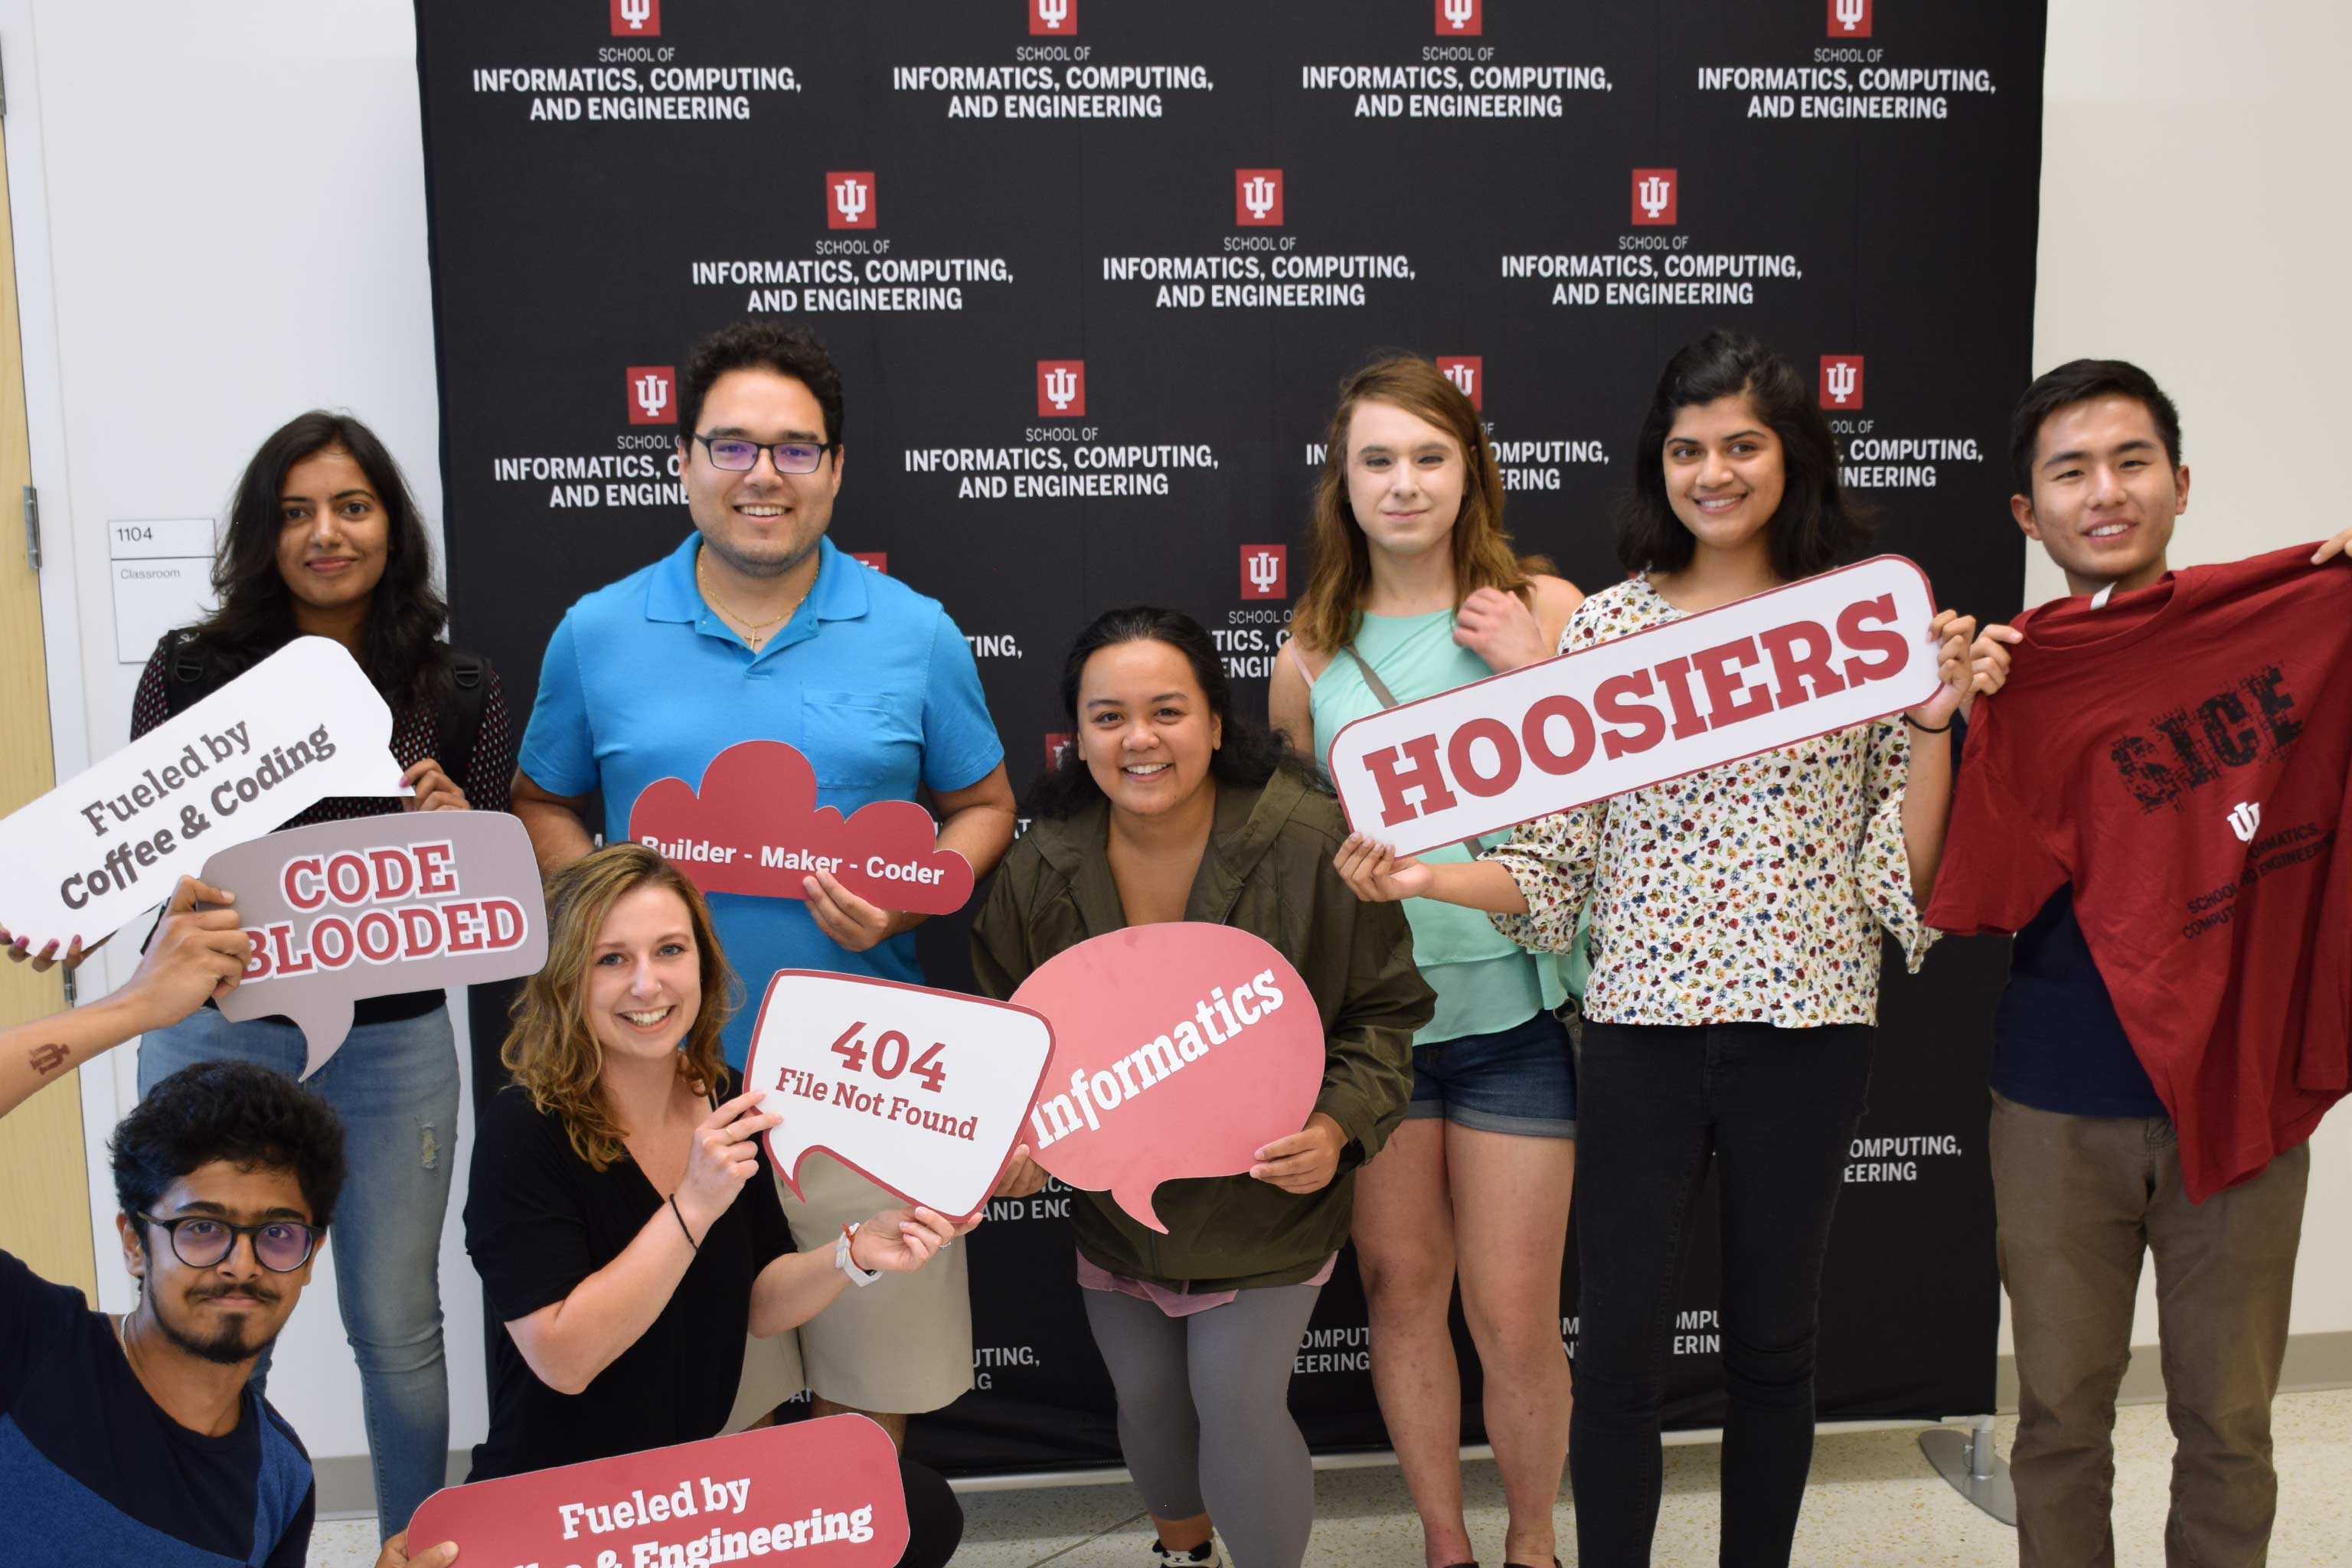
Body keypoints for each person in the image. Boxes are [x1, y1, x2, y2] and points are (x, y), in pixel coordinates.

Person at [1334, 330, 1984, 1566]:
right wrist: (1422, 872)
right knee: (1622, 1347)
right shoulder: (1608, 629)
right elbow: (1553, 867)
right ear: (1659, 464)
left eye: (1742, 443)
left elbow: (1901, 875)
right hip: (1637, 1034)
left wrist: (1934, 724)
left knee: (1771, 1346)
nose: (1714, 470)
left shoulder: (1854, 623)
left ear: (1790, 455)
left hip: (1807, 1033)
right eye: (1688, 447)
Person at [511, 322, 1015, 1443]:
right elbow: (541, 801)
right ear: (684, 459)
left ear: (834, 469)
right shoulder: (597, 632)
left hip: (871, 1078)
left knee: (865, 1418)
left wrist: (923, 887)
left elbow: (985, 808)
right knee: (698, 1424)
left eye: (796, 450)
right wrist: (598, 899)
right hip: (660, 1088)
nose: (763, 477)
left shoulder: (915, 632)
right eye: (732, 447)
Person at [1925, 359, 2352, 1568]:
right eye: (2071, 471)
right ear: (2029, 512)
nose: (2104, 493)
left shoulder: (2297, 618)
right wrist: (1962, 724)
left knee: (2233, 1423)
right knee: (2060, 1419)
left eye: (2131, 463)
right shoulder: (2010, 674)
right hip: (2059, 1103)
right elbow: (1961, 895)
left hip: (2244, 1089)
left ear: (2179, 484)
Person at [972, 607, 1432, 1568]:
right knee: (1145, 1397)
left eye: (1168, 711)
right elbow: (999, 1046)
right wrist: (1004, 1144)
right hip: (1116, 1210)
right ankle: (1184, 1553)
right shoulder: (1036, 867)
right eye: (1109, 716)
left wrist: (1338, 1124)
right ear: (1078, 735)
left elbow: (1382, 1012)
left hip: (1269, 1201)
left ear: (1219, 724)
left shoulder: (1312, 842)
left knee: (1234, 1396)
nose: (1139, 739)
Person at [124, 410, 515, 1534]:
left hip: (394, 1045)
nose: (325, 534)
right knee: (205, 1312)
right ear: (262, 534)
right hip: (220, 1030)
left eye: (351, 506)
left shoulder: (460, 688)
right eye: (295, 513)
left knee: (397, 1326)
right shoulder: (194, 671)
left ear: (391, 525)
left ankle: (420, 1552)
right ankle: (195, 1544)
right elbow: (154, 867)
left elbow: (485, 901)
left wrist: (458, 828)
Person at [1267, 354, 1583, 1568]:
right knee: (1403, 1296)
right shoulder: (1306, 651)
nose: (1405, 485)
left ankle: (1534, 1544)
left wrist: (1533, 674)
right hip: (1382, 1039)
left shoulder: (1547, 610)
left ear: (1471, 473)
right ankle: (1446, 1544)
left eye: (1430, 458)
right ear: (1343, 486)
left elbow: (1613, 795)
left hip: (1514, 1022)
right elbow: (1298, 841)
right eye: (1378, 462)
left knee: (1512, 1316)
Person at [462, 843, 963, 1567]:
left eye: (670, 950)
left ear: (702, 963)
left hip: (694, 1489)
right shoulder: (523, 1131)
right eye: (611, 960)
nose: (647, 984)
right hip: (566, 1502)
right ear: (565, 978)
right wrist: (692, 1205)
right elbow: (565, 1359)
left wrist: (855, 1252)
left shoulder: (723, 1094)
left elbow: (757, 1302)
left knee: (912, 1509)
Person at [0, 877, 460, 1566]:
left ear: (310, 1256)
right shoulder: (31, 1342)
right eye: (202, 1228)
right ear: (134, 1241)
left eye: (276, 1234)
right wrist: (134, 1006)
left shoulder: (281, 1480)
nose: (240, 1265)